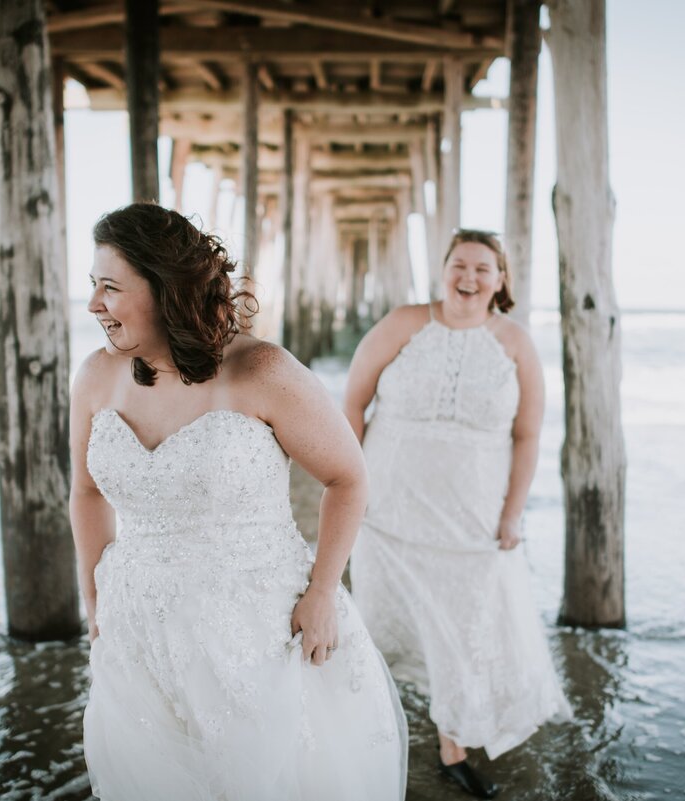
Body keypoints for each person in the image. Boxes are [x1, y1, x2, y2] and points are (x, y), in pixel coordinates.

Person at [70, 203, 407, 800]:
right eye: (92, 286)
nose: (94, 304)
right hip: (135, 630)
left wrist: (324, 592)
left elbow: (348, 478)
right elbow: (87, 492)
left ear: (165, 289)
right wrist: (96, 603)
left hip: (257, 630)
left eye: (109, 287)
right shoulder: (95, 377)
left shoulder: (260, 369)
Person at [344, 229, 572, 798]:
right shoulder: (403, 322)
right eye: (459, 265)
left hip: (470, 520)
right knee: (378, 624)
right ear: (443, 269)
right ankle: (366, 729)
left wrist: (513, 514)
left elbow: (527, 435)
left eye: (483, 269)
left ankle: (452, 743)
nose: (468, 278)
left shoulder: (516, 343)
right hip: (389, 512)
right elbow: (351, 400)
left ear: (501, 280)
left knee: (459, 631)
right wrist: (350, 482)